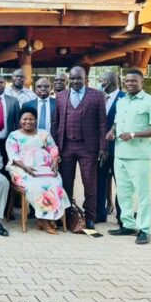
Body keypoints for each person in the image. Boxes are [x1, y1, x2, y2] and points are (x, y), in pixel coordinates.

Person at [107, 69, 151, 245]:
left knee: (143, 194)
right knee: (123, 192)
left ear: (142, 82)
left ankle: (145, 229)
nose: (130, 83)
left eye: (134, 81)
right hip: (120, 153)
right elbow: (117, 122)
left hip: (140, 156)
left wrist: (133, 134)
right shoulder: (122, 101)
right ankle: (128, 224)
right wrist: (112, 131)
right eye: (127, 81)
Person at [51, 66, 106, 230]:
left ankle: (90, 218)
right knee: (66, 183)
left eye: (79, 78)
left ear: (85, 79)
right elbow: (56, 123)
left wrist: (103, 147)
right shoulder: (61, 96)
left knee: (90, 183)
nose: (75, 81)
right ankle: (67, 217)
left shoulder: (97, 96)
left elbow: (103, 123)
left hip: (88, 147)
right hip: (66, 146)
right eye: (73, 78)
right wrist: (54, 147)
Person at [6, 106, 71, 234]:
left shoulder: (44, 133)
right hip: (21, 169)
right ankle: (42, 218)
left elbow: (53, 149)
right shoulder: (14, 135)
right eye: (25, 119)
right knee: (36, 185)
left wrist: (54, 162)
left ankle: (50, 216)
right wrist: (26, 168)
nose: (28, 122)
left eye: (31, 119)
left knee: (55, 183)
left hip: (44, 168)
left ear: (36, 120)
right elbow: (13, 155)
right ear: (20, 120)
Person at [97, 71, 126, 224]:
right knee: (99, 181)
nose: (98, 82)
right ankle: (99, 213)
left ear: (107, 82)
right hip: (99, 149)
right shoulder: (98, 97)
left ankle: (122, 216)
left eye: (100, 80)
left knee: (120, 182)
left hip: (118, 149)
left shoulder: (125, 98)